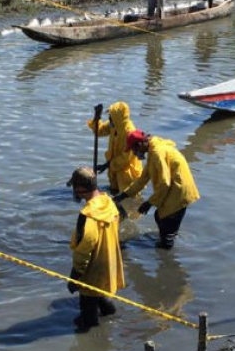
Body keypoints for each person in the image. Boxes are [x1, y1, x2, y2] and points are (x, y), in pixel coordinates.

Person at [115, 129, 200, 249]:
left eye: (134, 150)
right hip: (176, 189)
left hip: (179, 191)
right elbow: (142, 179)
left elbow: (164, 183)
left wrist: (149, 203)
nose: (134, 153)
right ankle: (166, 242)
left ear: (140, 145)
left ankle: (166, 258)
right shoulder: (153, 148)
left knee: (166, 229)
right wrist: (123, 195)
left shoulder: (156, 152)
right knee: (160, 218)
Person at [66, 166, 124, 332]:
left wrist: (75, 275)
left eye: (75, 188)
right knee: (100, 292)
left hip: (94, 266)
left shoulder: (87, 215)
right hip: (109, 260)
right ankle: (110, 312)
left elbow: (85, 249)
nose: (74, 193)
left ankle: (92, 336)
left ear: (80, 188)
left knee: (87, 303)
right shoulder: (109, 202)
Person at [87, 102, 143, 196]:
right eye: (110, 116)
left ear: (118, 117)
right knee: (114, 194)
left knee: (128, 198)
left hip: (127, 173)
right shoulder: (114, 125)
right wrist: (96, 118)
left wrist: (107, 165)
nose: (109, 118)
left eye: (111, 116)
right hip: (114, 168)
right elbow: (99, 131)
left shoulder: (130, 133)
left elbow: (125, 158)